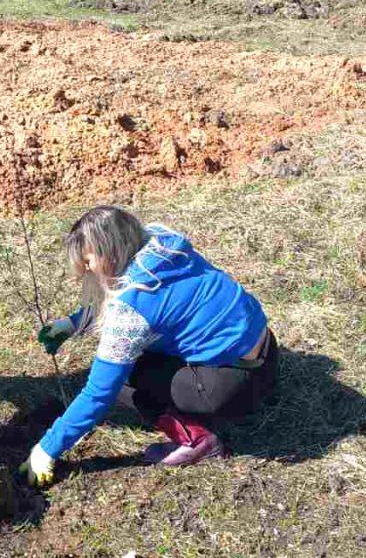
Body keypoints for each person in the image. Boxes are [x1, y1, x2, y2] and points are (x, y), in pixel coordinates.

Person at [21, 207, 278, 487]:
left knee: (123, 378)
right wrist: (72, 323)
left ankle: (197, 440)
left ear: (111, 253)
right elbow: (144, 297)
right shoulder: (160, 244)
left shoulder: (131, 310)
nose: (86, 269)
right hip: (266, 353)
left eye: (88, 260)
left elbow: (98, 394)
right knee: (141, 351)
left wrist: (46, 449)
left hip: (234, 388)